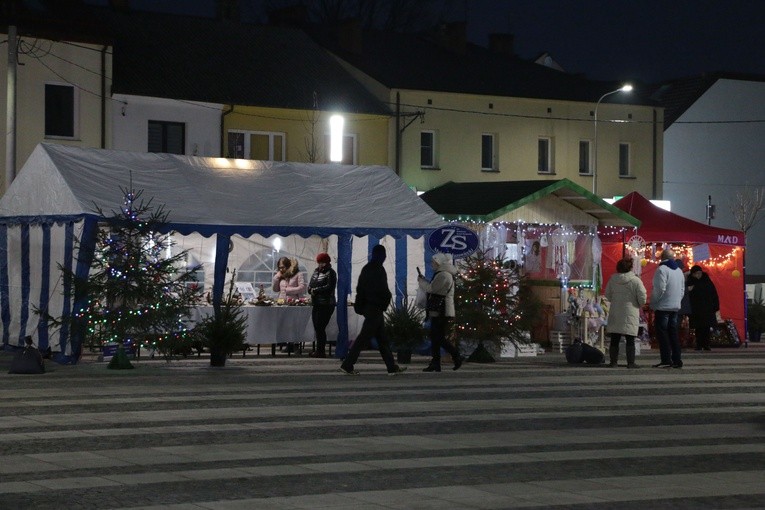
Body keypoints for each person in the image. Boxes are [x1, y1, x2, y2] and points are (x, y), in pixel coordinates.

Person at [339, 244, 406, 375]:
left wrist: (360, 306)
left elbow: (360, 289)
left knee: (382, 339)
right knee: (363, 338)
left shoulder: (367, 268)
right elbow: (382, 290)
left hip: (369, 307)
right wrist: (386, 300)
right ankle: (347, 364)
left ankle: (391, 367)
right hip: (375, 307)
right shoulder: (379, 269)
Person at [417, 252, 464, 372]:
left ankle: (455, 355)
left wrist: (422, 282)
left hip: (441, 309)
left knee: (438, 337)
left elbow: (432, 288)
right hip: (440, 309)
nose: (432, 264)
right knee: (436, 336)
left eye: (433, 262)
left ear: (438, 262)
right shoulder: (443, 274)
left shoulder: (443, 275)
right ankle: (436, 362)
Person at [604, 257, 647, 368]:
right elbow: (642, 297)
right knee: (630, 338)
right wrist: (639, 304)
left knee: (615, 338)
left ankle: (613, 362)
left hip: (616, 310)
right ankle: (630, 362)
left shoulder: (612, 280)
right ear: (630, 267)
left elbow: (607, 295)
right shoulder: (635, 280)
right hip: (631, 311)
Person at [650, 248, 686, 368]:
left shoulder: (662, 269)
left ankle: (666, 359)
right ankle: (677, 359)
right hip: (675, 307)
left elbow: (659, 289)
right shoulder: (679, 271)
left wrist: (653, 303)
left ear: (662, 258)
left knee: (663, 334)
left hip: (663, 307)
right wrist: (677, 301)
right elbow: (682, 290)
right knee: (673, 333)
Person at [307, 252, 337, 358]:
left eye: (323, 262)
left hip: (326, 303)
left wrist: (316, 290)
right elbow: (311, 283)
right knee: (317, 327)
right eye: (319, 262)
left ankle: (321, 351)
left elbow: (329, 287)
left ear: (327, 262)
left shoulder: (331, 273)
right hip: (316, 303)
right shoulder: (316, 272)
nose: (321, 265)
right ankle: (319, 350)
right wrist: (310, 289)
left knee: (320, 327)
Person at [687, 264, 720, 351]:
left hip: (707, 309)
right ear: (693, 274)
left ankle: (706, 344)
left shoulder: (707, 281)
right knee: (698, 328)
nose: (698, 275)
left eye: (699, 273)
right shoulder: (690, 282)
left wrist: (715, 306)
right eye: (696, 273)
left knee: (706, 328)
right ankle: (699, 344)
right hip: (696, 309)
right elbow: (687, 296)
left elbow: (714, 294)